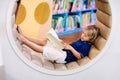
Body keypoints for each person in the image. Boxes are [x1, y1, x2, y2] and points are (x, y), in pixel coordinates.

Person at [17, 25, 100, 64]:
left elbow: (79, 56)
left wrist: (70, 48)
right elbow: (72, 46)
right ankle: (25, 36)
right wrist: (64, 44)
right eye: (83, 33)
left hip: (64, 57)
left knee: (45, 50)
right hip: (63, 51)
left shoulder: (87, 46)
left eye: (85, 35)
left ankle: (24, 41)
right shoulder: (82, 40)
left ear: (91, 38)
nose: (82, 35)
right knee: (46, 40)